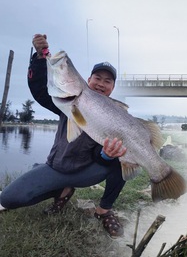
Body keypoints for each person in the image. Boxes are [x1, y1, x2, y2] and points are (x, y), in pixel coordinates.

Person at [0, 34, 126, 237]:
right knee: (8, 199)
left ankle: (104, 210)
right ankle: (62, 190)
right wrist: (40, 58)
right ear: (88, 80)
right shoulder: (65, 101)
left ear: (112, 88)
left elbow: (98, 157)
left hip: (86, 172)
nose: (102, 84)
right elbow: (39, 90)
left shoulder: (115, 115)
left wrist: (106, 155)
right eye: (98, 78)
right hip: (57, 167)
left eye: (108, 81)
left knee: (124, 161)